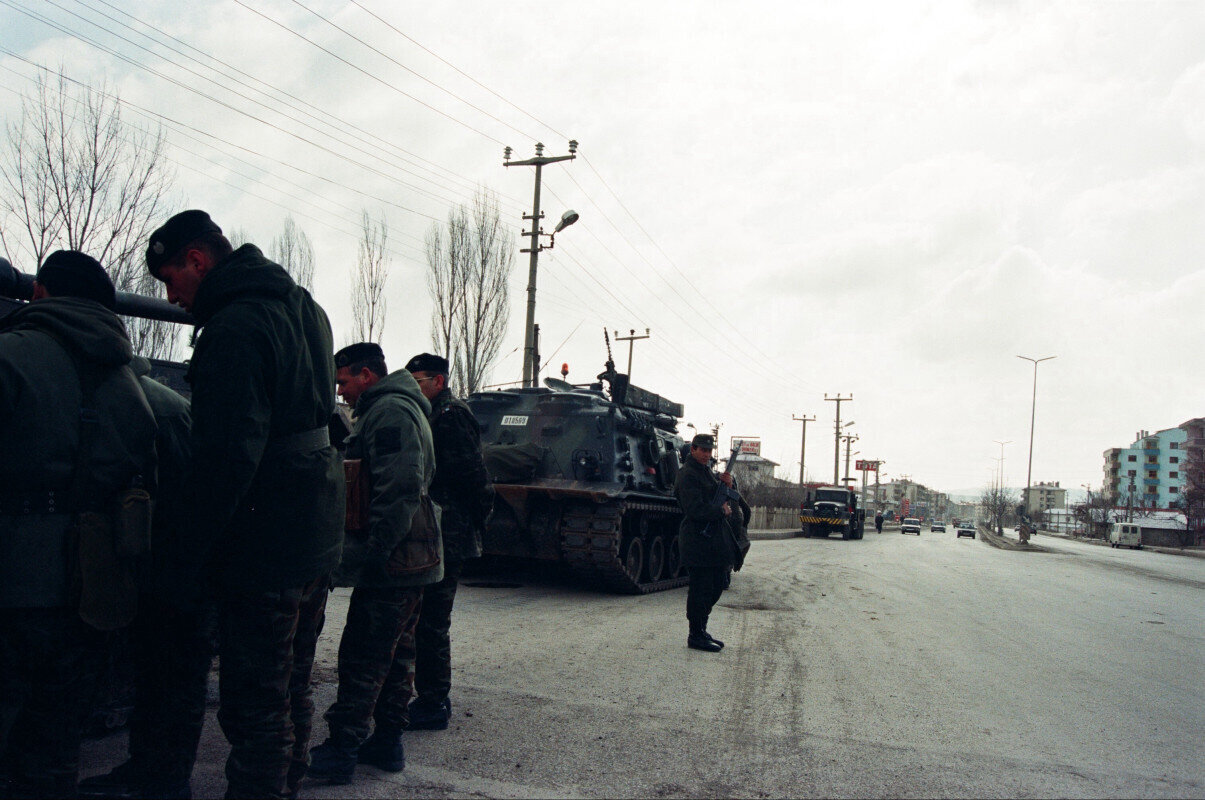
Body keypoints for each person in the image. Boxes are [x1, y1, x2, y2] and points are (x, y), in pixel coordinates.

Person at [146, 210, 344, 799]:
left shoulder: (234, 327)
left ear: (197, 261)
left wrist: (183, 557)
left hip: (267, 541)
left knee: (255, 705)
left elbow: (225, 459)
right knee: (292, 687)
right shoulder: (306, 306)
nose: (171, 296)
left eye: (170, 279)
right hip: (314, 529)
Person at [0, 251, 157, 797]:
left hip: (14, 578)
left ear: (39, 292)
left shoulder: (10, 355)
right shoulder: (130, 383)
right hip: (95, 585)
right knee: (56, 742)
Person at [79, 360, 216, 800]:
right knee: (163, 673)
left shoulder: (142, 404)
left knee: (171, 674)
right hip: (173, 560)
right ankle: (153, 772)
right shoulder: (155, 400)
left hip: (175, 563)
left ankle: (162, 779)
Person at [307, 343, 443, 784]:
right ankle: (386, 741)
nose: (340, 390)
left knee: (363, 655)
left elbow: (399, 489)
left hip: (395, 557)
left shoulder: (390, 412)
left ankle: (342, 750)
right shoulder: (394, 407)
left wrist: (374, 555)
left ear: (366, 375)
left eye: (343, 381)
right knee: (397, 654)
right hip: (409, 554)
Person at [388, 353, 492, 733]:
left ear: (439, 381)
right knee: (426, 618)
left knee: (431, 620)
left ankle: (433, 702)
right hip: (438, 527)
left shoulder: (450, 416)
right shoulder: (430, 413)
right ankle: (433, 697)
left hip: (449, 530)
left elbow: (474, 477)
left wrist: (473, 523)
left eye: (419, 381)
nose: (414, 387)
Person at [674, 433, 737, 653]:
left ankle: (701, 627)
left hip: (712, 541)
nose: (706, 454)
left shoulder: (706, 472)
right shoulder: (687, 474)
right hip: (696, 539)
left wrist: (727, 485)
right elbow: (694, 509)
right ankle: (695, 634)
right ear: (693, 449)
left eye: (709, 450)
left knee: (718, 583)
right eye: (702, 449)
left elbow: (715, 498)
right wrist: (720, 511)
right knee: (700, 589)